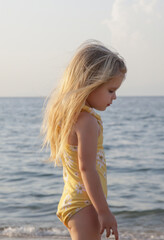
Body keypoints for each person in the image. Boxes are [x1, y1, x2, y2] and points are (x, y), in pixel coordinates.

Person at [41, 40, 126, 240]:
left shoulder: (74, 116)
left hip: (76, 201)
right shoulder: (86, 121)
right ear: (90, 84)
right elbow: (86, 168)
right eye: (111, 90)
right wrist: (104, 211)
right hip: (84, 203)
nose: (114, 97)